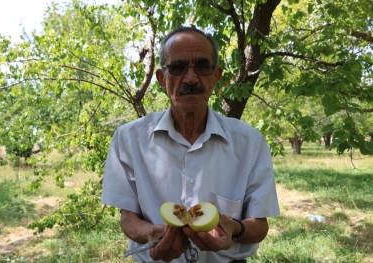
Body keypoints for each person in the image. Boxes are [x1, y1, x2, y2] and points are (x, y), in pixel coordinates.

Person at [101, 26, 280, 262]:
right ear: (162, 79)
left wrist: (234, 229)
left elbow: (259, 225)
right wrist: (152, 233)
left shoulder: (250, 142)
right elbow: (128, 218)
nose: (191, 78)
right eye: (177, 67)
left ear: (216, 77)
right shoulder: (129, 139)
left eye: (202, 66)